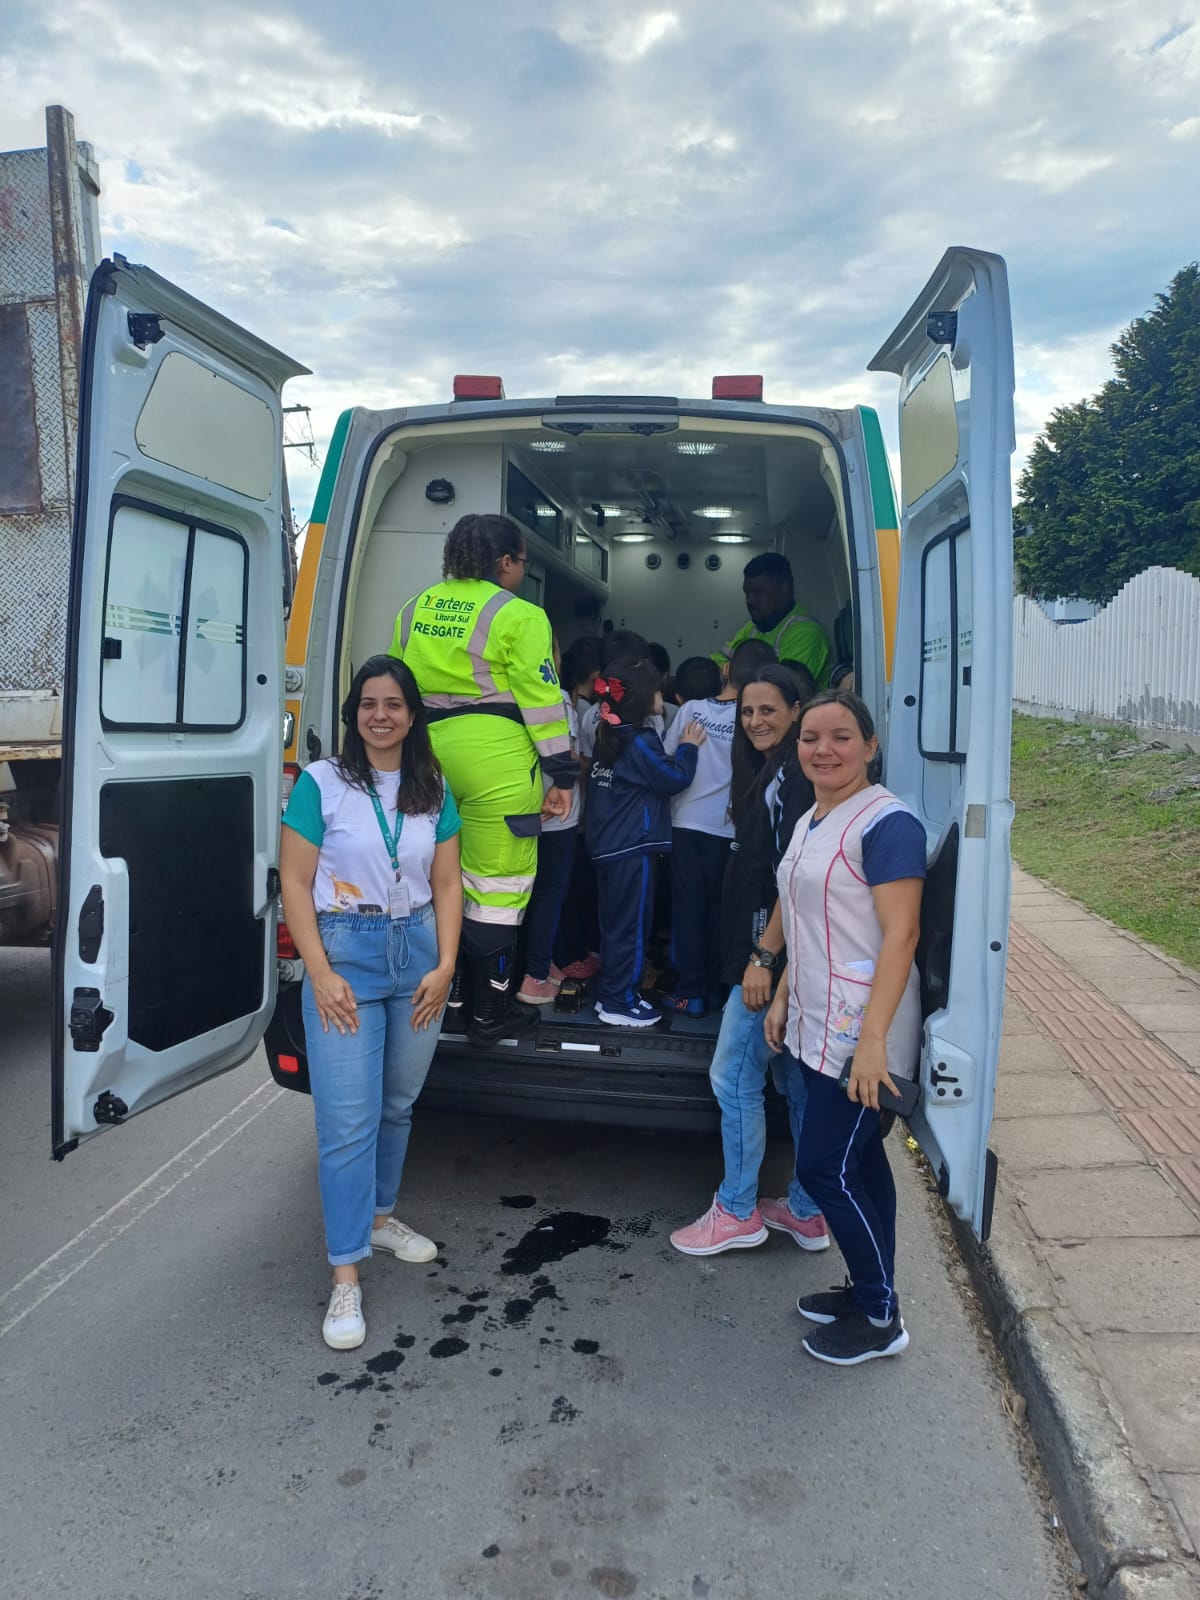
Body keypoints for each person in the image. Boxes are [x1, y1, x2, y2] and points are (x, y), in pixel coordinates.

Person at [279, 656, 463, 1351]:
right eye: (368, 704)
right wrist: (320, 973)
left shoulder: (431, 786)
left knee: (397, 1104)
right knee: (347, 1122)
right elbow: (295, 883)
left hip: (416, 953)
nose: (379, 715)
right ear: (353, 712)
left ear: (413, 716)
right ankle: (345, 1274)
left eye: (393, 704)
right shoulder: (322, 783)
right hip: (346, 955)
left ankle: (380, 1219)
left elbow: (447, 884)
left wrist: (446, 965)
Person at [765, 689, 926, 1365]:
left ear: (870, 745)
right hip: (817, 1019)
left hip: (863, 1033)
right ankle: (869, 1291)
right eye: (810, 738)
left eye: (840, 737)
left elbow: (901, 935)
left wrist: (873, 1045)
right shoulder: (813, 817)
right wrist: (780, 992)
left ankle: (880, 1317)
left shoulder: (888, 824)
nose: (822, 750)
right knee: (860, 1162)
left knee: (824, 1168)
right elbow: (803, 916)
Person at [388, 514, 576, 1049]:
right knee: (497, 885)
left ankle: (447, 1006)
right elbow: (542, 702)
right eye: (522, 563)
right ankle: (490, 1013)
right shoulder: (521, 615)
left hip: (428, 757)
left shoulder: (413, 609)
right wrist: (562, 774)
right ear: (506, 562)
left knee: (438, 880)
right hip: (498, 759)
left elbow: (394, 688)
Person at [670, 665, 827, 1257]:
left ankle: (736, 1210)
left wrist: (763, 958)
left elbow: (792, 878)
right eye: (748, 711)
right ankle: (808, 1210)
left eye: (768, 710)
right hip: (783, 959)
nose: (756, 721)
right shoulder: (774, 771)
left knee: (733, 1077)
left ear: (796, 710)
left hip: (769, 960)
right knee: (792, 1082)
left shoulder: (793, 778)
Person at [586, 655, 704, 1027]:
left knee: (614, 927)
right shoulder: (637, 740)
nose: (661, 696)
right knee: (632, 928)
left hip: (608, 846)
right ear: (641, 697)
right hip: (632, 848)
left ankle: (611, 993)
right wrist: (688, 747)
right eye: (656, 690)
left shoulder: (608, 731)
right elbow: (672, 779)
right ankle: (622, 1002)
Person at [518, 636, 583, 1005]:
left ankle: (531, 965)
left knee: (515, 893)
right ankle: (535, 976)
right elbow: (567, 756)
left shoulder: (504, 695)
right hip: (556, 814)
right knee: (548, 895)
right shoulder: (555, 698)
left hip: (516, 809)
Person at [716, 552, 831, 688]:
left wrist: (732, 674)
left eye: (758, 592)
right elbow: (715, 665)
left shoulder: (807, 633)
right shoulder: (753, 628)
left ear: (784, 588)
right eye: (747, 593)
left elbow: (781, 691)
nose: (750, 601)